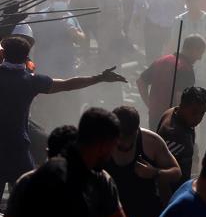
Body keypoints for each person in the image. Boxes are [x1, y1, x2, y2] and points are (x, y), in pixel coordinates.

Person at [0, 35, 126, 195]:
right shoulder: (31, 81)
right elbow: (68, 84)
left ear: (3, 55)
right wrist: (100, 78)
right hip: (18, 147)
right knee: (31, 198)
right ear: (26, 57)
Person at [105, 106, 181, 217]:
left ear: (136, 132)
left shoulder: (151, 142)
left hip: (144, 212)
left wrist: (155, 173)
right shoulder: (102, 139)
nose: (120, 143)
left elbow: (176, 172)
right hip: (111, 209)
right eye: (117, 139)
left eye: (125, 140)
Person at [137, 33, 206, 129]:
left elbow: (141, 82)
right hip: (172, 122)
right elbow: (180, 98)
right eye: (200, 53)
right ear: (193, 49)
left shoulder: (161, 61)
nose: (200, 58)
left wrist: (150, 105)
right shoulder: (185, 69)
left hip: (154, 116)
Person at [169, 0, 206, 85]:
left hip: (204, 69)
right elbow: (173, 45)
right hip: (183, 69)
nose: (190, 3)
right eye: (187, 0)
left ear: (201, 1)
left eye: (194, 0)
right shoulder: (179, 20)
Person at [157, 86, 206, 184]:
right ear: (183, 105)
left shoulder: (174, 111)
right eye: (194, 112)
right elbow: (163, 175)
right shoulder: (174, 134)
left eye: (202, 113)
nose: (198, 118)